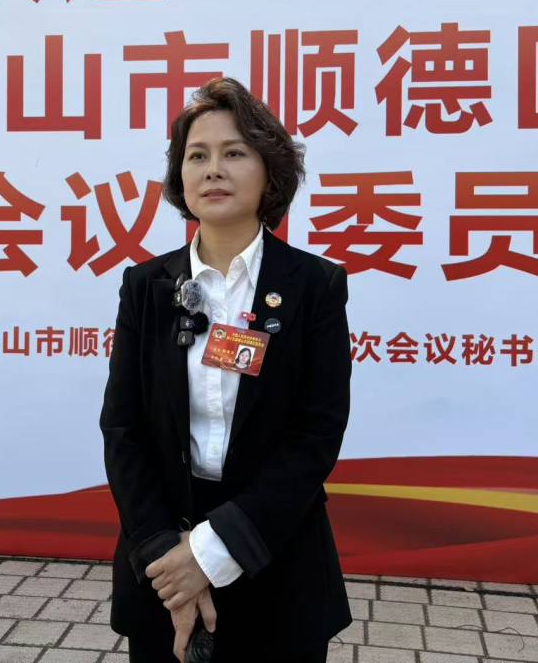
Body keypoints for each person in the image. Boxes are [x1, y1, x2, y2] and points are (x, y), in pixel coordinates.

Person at [100, 77, 352, 662]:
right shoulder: (146, 286)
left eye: (234, 153)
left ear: (270, 173)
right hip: (161, 567)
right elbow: (123, 429)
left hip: (275, 554)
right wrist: (170, 559)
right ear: (179, 177)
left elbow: (315, 435)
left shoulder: (313, 286)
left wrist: (210, 554)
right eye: (197, 156)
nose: (213, 169)